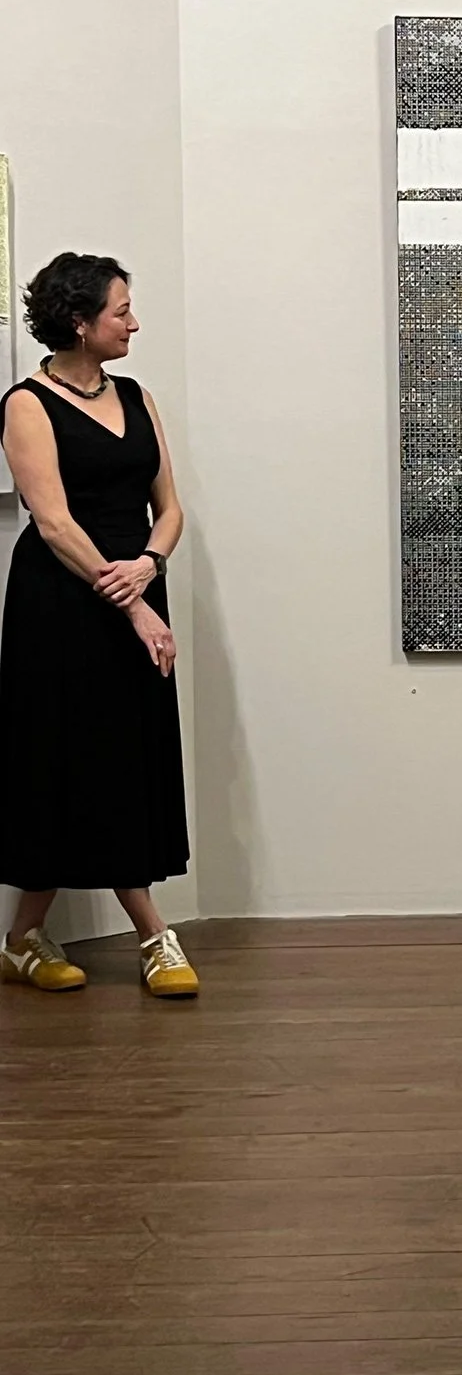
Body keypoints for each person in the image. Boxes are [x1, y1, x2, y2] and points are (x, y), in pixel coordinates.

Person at [0, 253, 197, 997]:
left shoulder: (139, 397)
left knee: (125, 756)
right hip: (62, 602)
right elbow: (52, 523)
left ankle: (20, 938)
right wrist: (136, 601)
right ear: (79, 322)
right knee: (62, 758)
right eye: (121, 312)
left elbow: (170, 507)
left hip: (133, 585)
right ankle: (154, 934)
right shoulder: (26, 404)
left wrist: (149, 563)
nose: (134, 323)